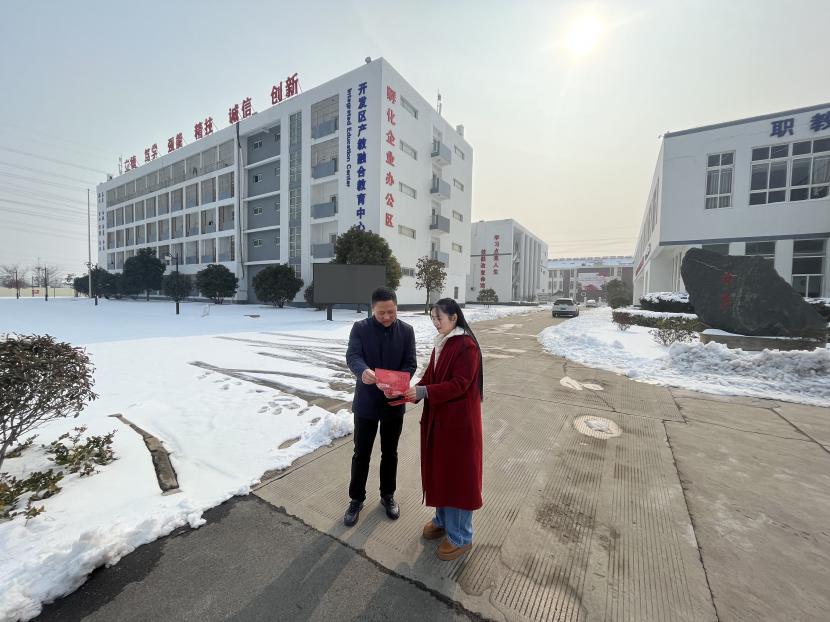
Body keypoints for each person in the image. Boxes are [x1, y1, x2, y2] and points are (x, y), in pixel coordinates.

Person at [404, 298, 484, 561]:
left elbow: (460, 383)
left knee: (458, 478)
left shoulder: (466, 345)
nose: (436, 323)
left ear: (454, 317)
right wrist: (413, 391)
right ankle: (442, 520)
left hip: (458, 425)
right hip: (439, 421)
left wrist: (425, 391)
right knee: (440, 472)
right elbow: (431, 376)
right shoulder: (443, 342)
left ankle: (461, 537)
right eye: (433, 318)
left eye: (439, 318)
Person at [344, 287, 417, 527]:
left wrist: (398, 384)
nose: (387, 317)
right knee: (361, 453)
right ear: (372, 309)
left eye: (391, 312)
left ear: (396, 307)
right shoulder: (360, 328)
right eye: (381, 313)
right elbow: (353, 356)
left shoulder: (406, 331)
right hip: (366, 402)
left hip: (393, 402)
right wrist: (362, 371)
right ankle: (356, 499)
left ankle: (388, 495)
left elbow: (410, 363)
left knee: (390, 452)